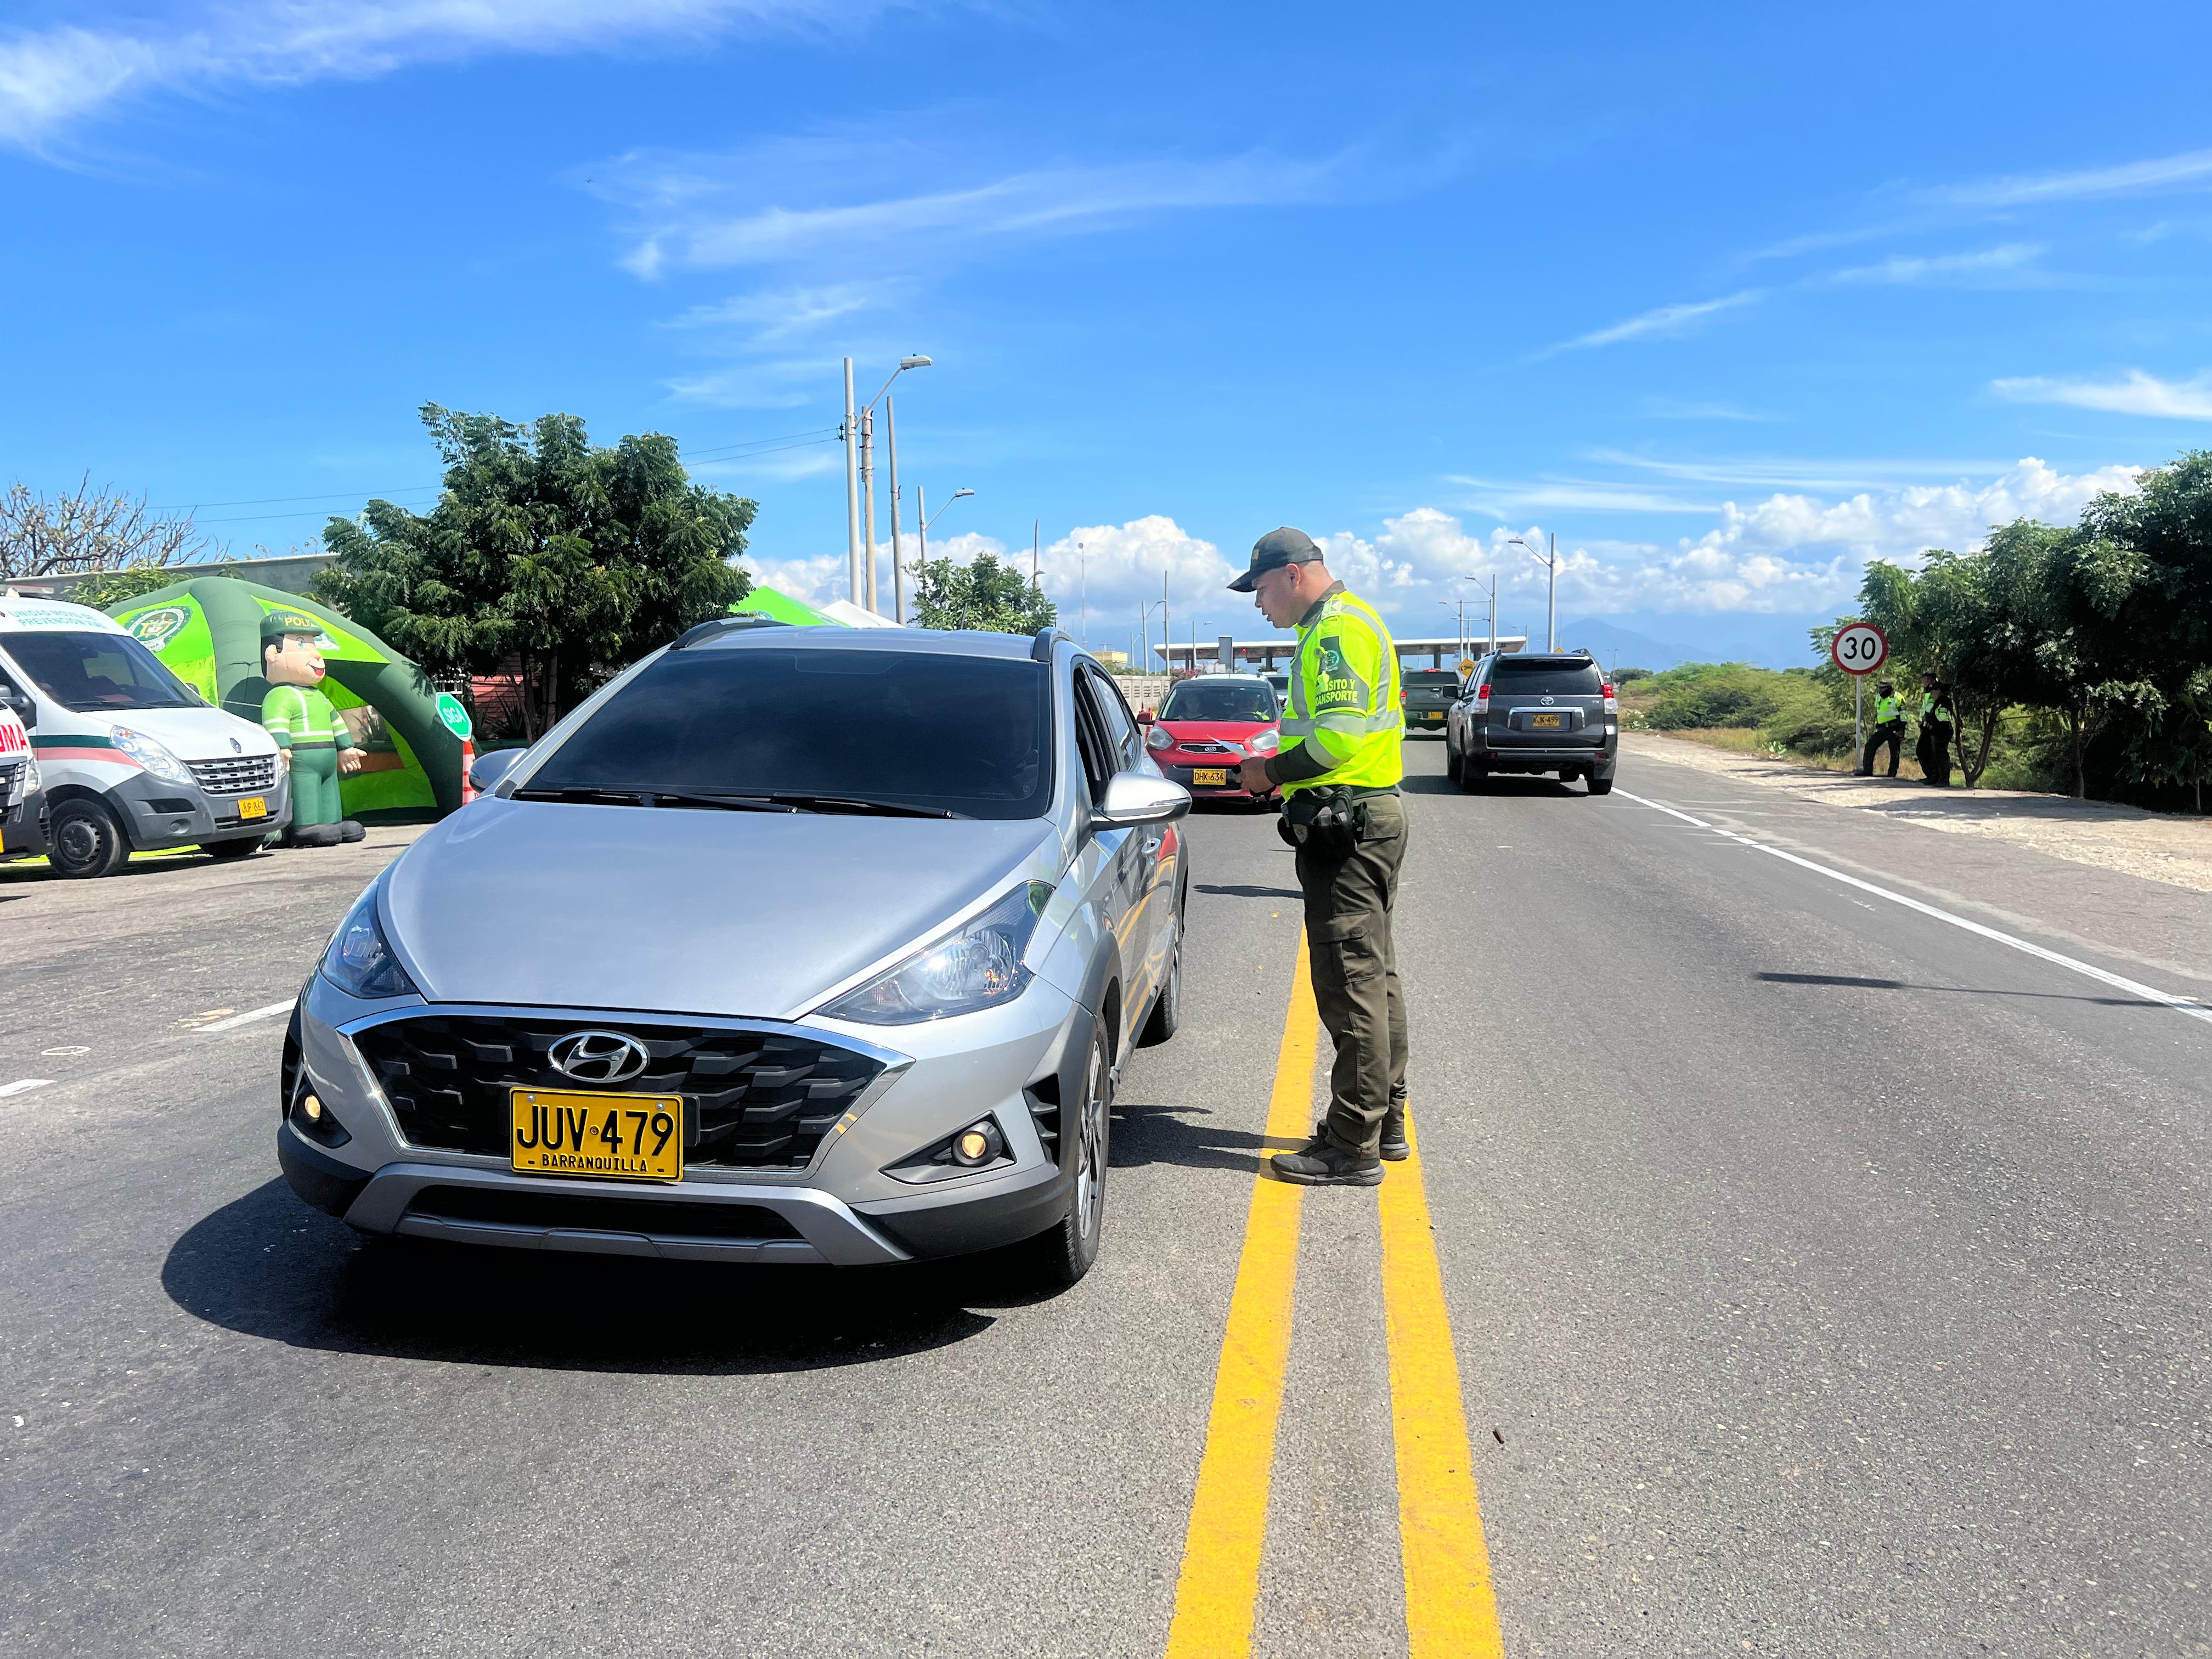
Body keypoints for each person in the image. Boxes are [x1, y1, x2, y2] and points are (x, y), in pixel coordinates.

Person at [1231, 528, 1408, 1187]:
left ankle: (1350, 1145)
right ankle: (1383, 1119)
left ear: (1295, 575)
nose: (1258, 605)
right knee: (1376, 976)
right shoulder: (1347, 622)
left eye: (1261, 588)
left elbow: (1335, 739)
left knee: (1350, 984)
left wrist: (1267, 773)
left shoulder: (1334, 632)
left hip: (1347, 821)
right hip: (1367, 814)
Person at [259, 610, 366, 847]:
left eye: (312, 643)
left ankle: (334, 822)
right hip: (302, 756)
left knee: (329, 790)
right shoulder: (281, 694)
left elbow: (335, 721)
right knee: (305, 789)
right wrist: (282, 746)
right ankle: (304, 827)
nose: (316, 655)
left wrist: (346, 747)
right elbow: (276, 722)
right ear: (273, 653)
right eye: (300, 643)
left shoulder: (319, 696)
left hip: (327, 756)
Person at [1857, 679, 1905, 777]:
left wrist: (1902, 730)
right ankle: (1867, 770)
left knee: (1894, 751)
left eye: (1882, 689)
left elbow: (1904, 716)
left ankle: (1892, 774)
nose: (1880, 691)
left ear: (1888, 688)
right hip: (1882, 729)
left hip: (1894, 729)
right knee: (1870, 746)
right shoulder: (1878, 697)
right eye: (1879, 688)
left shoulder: (1898, 698)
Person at [1917, 680, 1957, 787]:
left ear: (1938, 691)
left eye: (1932, 691)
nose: (1931, 694)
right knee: (1936, 756)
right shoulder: (1939, 701)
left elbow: (1942, 718)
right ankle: (1938, 778)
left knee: (1941, 756)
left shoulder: (1944, 701)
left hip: (1942, 732)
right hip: (1937, 732)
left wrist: (1931, 720)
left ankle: (1944, 780)